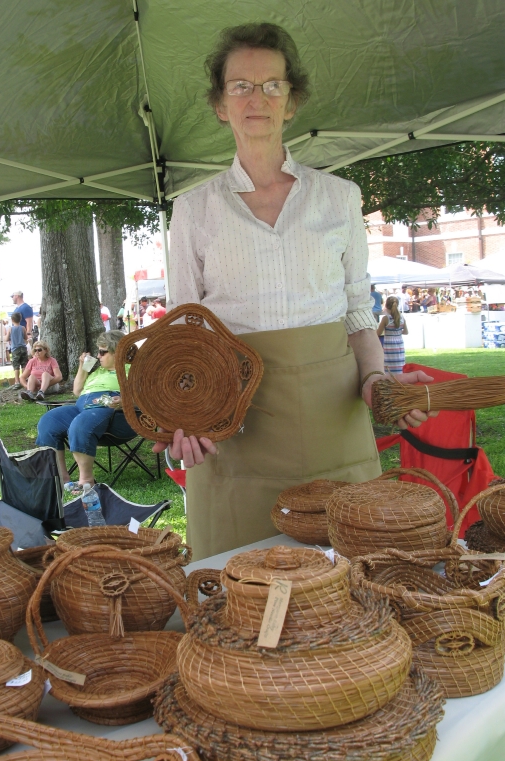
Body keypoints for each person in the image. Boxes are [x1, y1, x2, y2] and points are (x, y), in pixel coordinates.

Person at [153, 22, 435, 560]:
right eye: (240, 86)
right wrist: (185, 414)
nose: (255, 98)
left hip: (336, 421)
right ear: (219, 103)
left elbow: (356, 314)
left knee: (349, 589)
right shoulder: (193, 209)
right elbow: (184, 330)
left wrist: (378, 383)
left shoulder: (339, 198)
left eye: (271, 85)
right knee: (240, 594)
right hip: (237, 425)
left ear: (291, 101)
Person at [36, 330, 134, 490]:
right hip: (82, 406)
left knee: (81, 424)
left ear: (117, 352)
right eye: (98, 351)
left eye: (103, 352)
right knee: (48, 421)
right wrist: (83, 366)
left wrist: (125, 401)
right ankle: (60, 478)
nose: (99, 355)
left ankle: (86, 481)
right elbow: (77, 390)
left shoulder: (131, 370)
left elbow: (146, 398)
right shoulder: (98, 371)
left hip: (111, 409)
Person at [376, 296, 408, 374]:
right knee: (399, 364)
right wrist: (397, 333)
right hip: (399, 343)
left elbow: (378, 333)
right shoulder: (401, 318)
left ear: (386, 305)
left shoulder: (385, 318)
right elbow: (406, 332)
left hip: (389, 344)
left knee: (388, 365)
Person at [8, 312, 29, 390]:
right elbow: (26, 337)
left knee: (16, 366)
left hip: (15, 349)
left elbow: (7, 338)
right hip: (23, 348)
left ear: (12, 319)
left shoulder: (11, 328)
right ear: (20, 319)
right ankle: (24, 379)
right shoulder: (23, 328)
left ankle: (17, 381)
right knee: (24, 364)